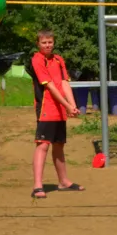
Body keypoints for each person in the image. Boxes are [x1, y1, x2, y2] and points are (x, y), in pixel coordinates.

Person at [27, 29, 84, 199]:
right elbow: (50, 86)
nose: (47, 45)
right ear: (38, 44)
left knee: (59, 145)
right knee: (43, 144)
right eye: (44, 42)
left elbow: (64, 83)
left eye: (50, 42)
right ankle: (38, 185)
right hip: (46, 108)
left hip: (60, 110)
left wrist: (73, 106)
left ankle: (64, 181)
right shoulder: (37, 59)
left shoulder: (59, 59)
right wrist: (67, 105)